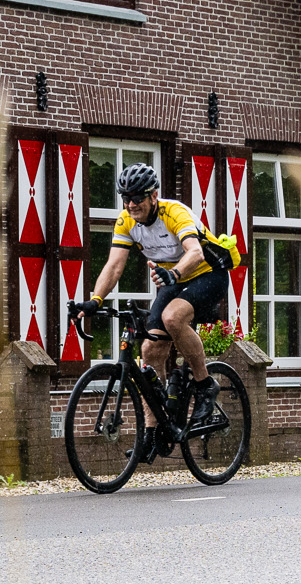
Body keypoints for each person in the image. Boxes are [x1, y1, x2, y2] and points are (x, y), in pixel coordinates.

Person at [77, 163, 226, 456]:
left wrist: (174, 274)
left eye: (138, 197)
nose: (132, 204)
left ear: (154, 195)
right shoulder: (126, 221)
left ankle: (205, 383)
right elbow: (114, 265)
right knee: (149, 352)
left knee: (173, 318)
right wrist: (95, 300)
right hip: (173, 277)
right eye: (126, 198)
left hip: (208, 272)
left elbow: (195, 252)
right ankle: (153, 430)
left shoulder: (174, 213)